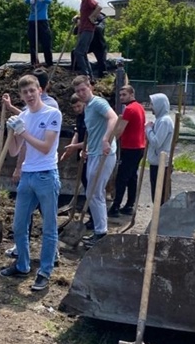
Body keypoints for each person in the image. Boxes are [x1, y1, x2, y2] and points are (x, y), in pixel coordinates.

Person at [0, 74, 62, 292]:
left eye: (32, 91)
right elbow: (15, 150)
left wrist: (22, 131)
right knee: (19, 225)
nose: (29, 95)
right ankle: (23, 265)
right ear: (21, 95)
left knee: (49, 227)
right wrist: (12, 132)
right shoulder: (24, 116)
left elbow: (45, 147)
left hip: (46, 175)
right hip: (27, 175)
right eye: (25, 92)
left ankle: (44, 272)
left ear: (40, 91)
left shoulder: (53, 114)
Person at [72, 75, 117, 247]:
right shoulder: (88, 107)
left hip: (105, 154)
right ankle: (99, 230)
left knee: (95, 193)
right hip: (94, 153)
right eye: (78, 91)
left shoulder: (98, 103)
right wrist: (85, 149)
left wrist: (106, 139)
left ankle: (101, 232)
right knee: (92, 192)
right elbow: (92, 131)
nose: (81, 93)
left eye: (83, 89)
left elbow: (113, 118)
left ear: (90, 87)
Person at [108, 85, 146, 217]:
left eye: (124, 95)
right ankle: (130, 204)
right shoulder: (140, 107)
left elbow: (119, 131)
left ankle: (116, 207)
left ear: (131, 94)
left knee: (122, 177)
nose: (121, 97)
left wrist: (109, 141)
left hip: (131, 147)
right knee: (131, 177)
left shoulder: (129, 109)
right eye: (120, 95)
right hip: (139, 146)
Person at [60, 93, 93, 230]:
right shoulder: (79, 117)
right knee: (86, 185)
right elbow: (77, 134)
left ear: (84, 104)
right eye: (74, 107)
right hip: (82, 153)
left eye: (79, 106)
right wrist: (70, 150)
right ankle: (91, 214)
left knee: (91, 187)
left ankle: (93, 217)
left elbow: (91, 139)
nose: (77, 109)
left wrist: (75, 147)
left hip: (90, 154)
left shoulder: (90, 117)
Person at [146, 93, 174, 204]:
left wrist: (148, 129)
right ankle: (158, 218)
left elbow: (156, 142)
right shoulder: (159, 120)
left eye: (152, 104)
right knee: (156, 196)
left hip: (162, 164)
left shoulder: (165, 121)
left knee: (161, 196)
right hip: (156, 163)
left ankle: (162, 219)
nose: (150, 107)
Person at [73, 0, 102, 79]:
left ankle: (85, 74)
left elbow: (99, 7)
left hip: (88, 30)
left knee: (78, 52)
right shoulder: (83, 3)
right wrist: (78, 18)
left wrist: (92, 17)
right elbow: (84, 15)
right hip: (82, 29)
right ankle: (90, 77)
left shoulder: (89, 0)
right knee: (83, 53)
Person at [24, 0, 53, 68]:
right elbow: (25, 1)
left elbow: (50, 1)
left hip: (43, 20)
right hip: (32, 20)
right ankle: (34, 62)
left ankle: (49, 63)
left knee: (46, 42)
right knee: (32, 42)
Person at [88, 13, 108, 77]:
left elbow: (99, 29)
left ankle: (102, 77)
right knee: (76, 52)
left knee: (102, 62)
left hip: (99, 45)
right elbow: (75, 31)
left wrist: (92, 24)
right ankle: (76, 70)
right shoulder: (88, 19)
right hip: (89, 44)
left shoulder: (102, 21)